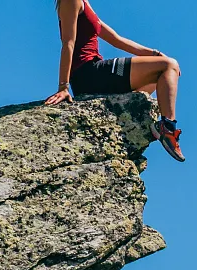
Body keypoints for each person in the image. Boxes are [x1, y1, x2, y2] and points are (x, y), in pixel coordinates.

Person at [43, 0, 185, 162]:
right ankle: (167, 128)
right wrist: (63, 86)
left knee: (163, 76)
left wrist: (156, 54)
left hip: (94, 74)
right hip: (88, 74)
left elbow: (117, 39)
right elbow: (68, 43)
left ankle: (129, 111)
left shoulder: (84, 3)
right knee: (169, 66)